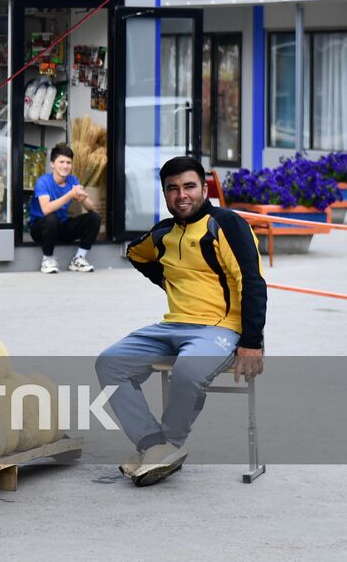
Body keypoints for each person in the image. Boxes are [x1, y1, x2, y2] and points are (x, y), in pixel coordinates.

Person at [96, 156, 266, 487]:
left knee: (188, 369)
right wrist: (165, 280)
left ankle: (168, 446)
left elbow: (253, 282)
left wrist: (252, 341)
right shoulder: (164, 232)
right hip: (171, 326)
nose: (181, 195)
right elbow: (136, 253)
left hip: (220, 328)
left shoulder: (227, 224)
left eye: (189, 186)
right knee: (109, 363)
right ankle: (152, 446)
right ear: (165, 193)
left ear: (204, 188)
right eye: (172, 189)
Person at [28, 143, 99, 273]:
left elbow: (91, 207)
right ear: (52, 164)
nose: (65, 166)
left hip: (61, 227)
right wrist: (70, 195)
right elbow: (46, 209)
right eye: (61, 162)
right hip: (41, 230)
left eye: (68, 162)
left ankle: (79, 258)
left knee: (94, 218)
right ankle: (47, 259)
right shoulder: (43, 182)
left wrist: (83, 198)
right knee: (51, 218)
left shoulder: (72, 180)